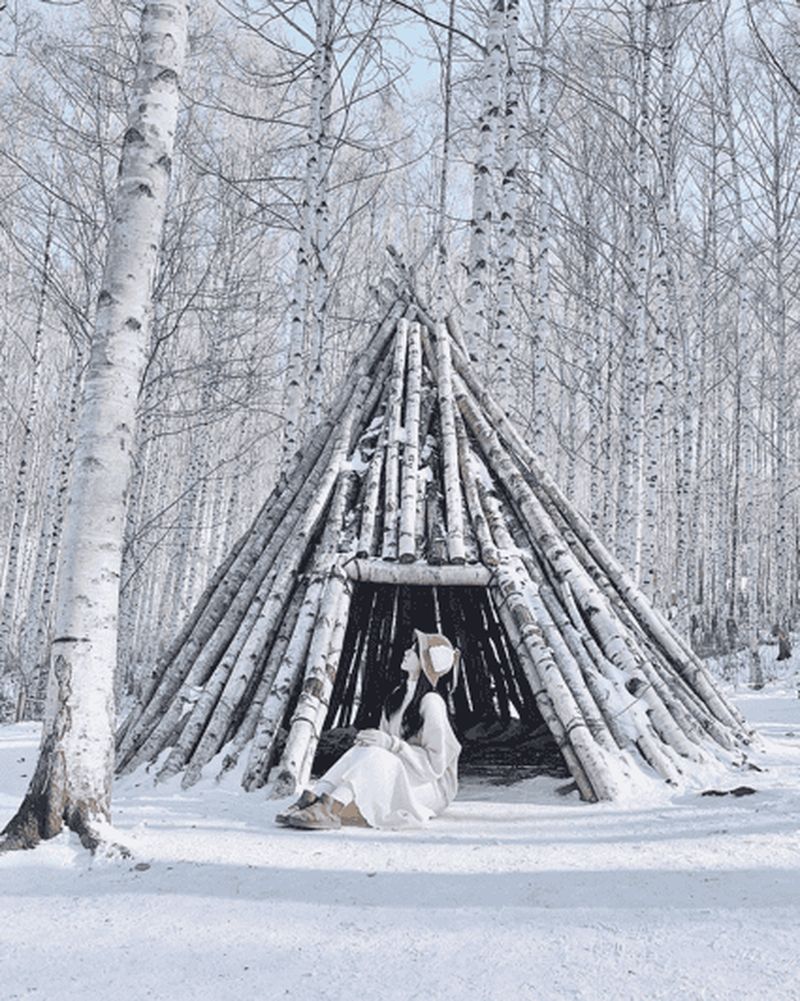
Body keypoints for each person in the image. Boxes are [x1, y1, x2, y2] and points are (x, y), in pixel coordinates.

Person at [276, 629, 461, 830]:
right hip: (401, 774)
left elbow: (435, 765)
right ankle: (317, 798)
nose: (407, 652)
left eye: (415, 650)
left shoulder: (431, 702)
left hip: (431, 788)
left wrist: (391, 744)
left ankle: (332, 807)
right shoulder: (397, 697)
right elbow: (382, 751)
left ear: (426, 664)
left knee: (376, 754)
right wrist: (374, 743)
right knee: (362, 751)